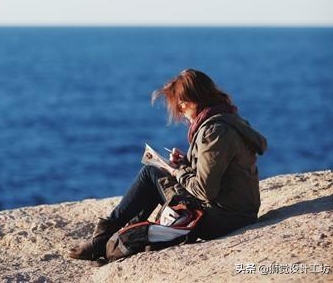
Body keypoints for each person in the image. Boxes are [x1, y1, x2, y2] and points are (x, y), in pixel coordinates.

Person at [69, 68, 267, 261]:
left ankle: (103, 240)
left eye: (178, 106)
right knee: (154, 175)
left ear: (185, 103)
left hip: (223, 219)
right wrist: (185, 164)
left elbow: (205, 190)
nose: (180, 113)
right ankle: (115, 239)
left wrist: (176, 170)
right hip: (235, 211)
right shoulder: (225, 119)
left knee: (150, 174)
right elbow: (215, 175)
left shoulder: (215, 131)